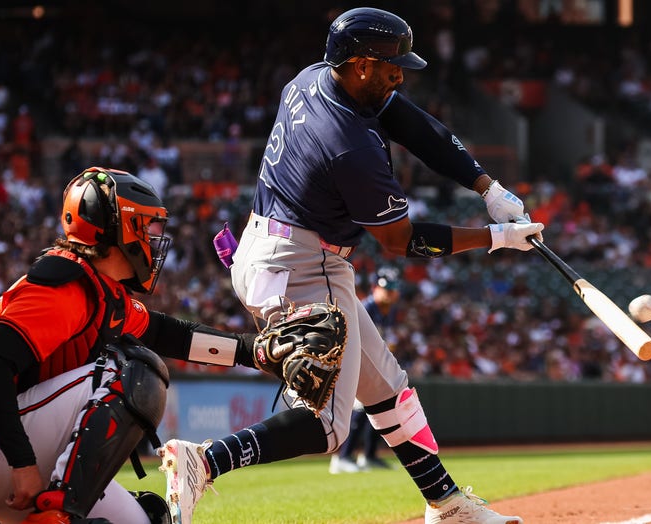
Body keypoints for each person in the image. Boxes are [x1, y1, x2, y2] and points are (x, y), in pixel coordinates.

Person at [159, 7, 542, 524]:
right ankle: (203, 462)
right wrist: (496, 238)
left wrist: (486, 187)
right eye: (390, 66)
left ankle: (448, 505)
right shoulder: (348, 144)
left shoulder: (315, 77)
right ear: (360, 65)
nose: (400, 75)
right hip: (305, 265)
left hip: (268, 248)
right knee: (327, 427)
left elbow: (414, 124)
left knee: (387, 386)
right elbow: (398, 241)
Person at [0, 167, 262, 524]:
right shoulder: (65, 286)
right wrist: (22, 463)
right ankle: (60, 514)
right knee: (136, 372)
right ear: (117, 228)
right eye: (144, 226)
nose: (152, 241)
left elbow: (169, 334)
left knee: (148, 519)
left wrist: (257, 351)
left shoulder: (100, 289)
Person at [329, 266, 401, 474]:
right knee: (360, 409)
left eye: (393, 289)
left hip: (371, 364)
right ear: (374, 288)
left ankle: (369, 456)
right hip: (354, 361)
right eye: (386, 288)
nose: (390, 293)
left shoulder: (388, 311)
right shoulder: (366, 307)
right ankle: (342, 457)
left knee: (380, 407)